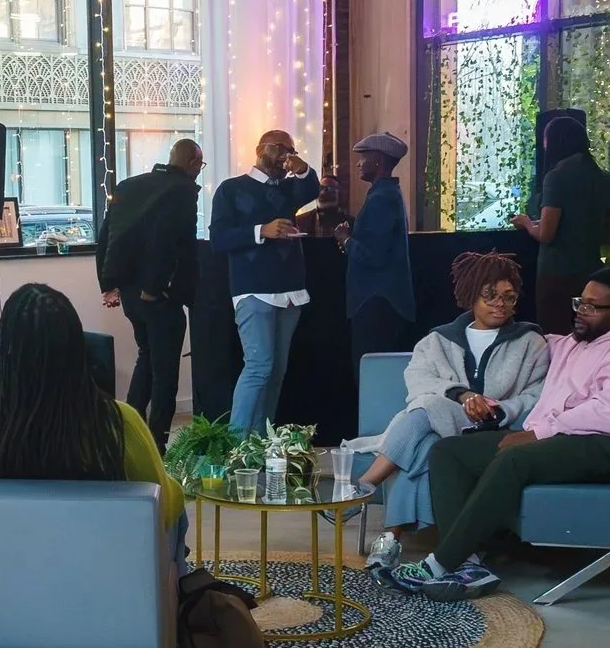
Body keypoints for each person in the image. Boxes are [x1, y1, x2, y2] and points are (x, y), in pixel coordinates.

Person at [398, 266, 610, 600]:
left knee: (514, 458)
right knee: (450, 451)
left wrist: (540, 431)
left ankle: (440, 564)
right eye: (579, 302)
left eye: (590, 306)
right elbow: (538, 344)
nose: (579, 312)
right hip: (567, 439)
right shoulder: (580, 343)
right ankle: (468, 564)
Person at [354, 253, 549, 574]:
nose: (499, 303)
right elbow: (418, 381)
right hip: (443, 422)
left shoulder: (531, 342)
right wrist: (463, 396)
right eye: (489, 295)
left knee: (425, 420)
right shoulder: (438, 340)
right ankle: (431, 546)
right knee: (428, 430)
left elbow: (536, 394)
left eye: (508, 297)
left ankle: (366, 491)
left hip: (494, 432)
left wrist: (497, 409)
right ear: (471, 294)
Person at [0, 284, 185, 538]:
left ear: (7, 346)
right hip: (96, 565)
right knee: (177, 522)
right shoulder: (117, 420)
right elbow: (165, 506)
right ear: (79, 347)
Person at [209, 129, 323, 435]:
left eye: (290, 150)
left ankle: (261, 443)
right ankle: (236, 446)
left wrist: (304, 169)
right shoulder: (231, 189)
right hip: (253, 288)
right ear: (260, 148)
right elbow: (218, 239)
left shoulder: (288, 189)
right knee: (259, 366)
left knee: (276, 372)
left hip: (291, 290)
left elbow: (312, 190)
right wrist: (261, 231)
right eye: (278, 148)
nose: (284, 155)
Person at [96, 137, 205, 449]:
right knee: (165, 373)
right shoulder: (183, 190)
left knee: (146, 358)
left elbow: (106, 237)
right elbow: (165, 240)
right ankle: (156, 444)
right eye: (200, 165)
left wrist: (108, 284)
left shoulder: (130, 185)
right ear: (193, 164)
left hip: (130, 293)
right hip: (159, 296)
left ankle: (129, 435)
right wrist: (153, 289)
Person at [511, 115, 610, 336]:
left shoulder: (556, 177)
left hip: (556, 275)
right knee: (587, 335)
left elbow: (547, 234)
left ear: (555, 143)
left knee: (556, 336)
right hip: (591, 275)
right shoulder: (605, 179)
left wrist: (527, 223)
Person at [335, 132, 420, 368]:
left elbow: (373, 255)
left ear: (377, 161)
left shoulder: (381, 198)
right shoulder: (387, 194)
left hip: (377, 302)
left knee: (370, 372)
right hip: (383, 302)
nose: (358, 163)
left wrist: (345, 239)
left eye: (363, 158)